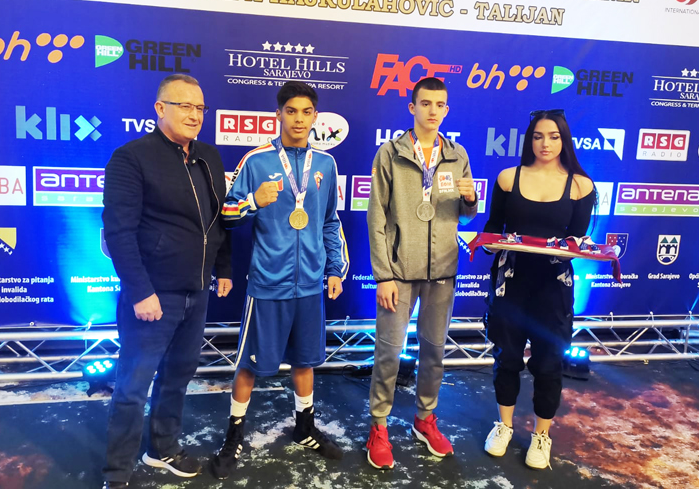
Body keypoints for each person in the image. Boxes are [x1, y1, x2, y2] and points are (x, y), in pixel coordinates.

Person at [209, 80, 349, 480]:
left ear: (315, 117)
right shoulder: (256, 161)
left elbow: (329, 221)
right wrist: (254, 201)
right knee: (249, 365)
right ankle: (234, 435)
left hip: (310, 283)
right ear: (279, 115)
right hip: (268, 282)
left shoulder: (325, 164)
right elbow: (227, 215)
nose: (299, 119)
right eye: (291, 111)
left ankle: (304, 427)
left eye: (306, 112)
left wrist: (335, 268)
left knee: (305, 361)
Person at [101, 74, 233, 489]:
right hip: (153, 296)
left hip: (198, 292)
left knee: (178, 377)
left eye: (200, 108)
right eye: (185, 106)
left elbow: (219, 219)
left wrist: (224, 267)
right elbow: (119, 232)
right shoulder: (131, 157)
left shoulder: (209, 156)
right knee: (132, 387)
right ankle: (117, 473)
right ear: (160, 109)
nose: (195, 115)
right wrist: (141, 291)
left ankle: (162, 449)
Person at [365, 77, 478, 469]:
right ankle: (379, 425)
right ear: (412, 107)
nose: (433, 111)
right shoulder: (391, 153)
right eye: (425, 103)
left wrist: (470, 199)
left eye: (440, 104)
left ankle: (424, 418)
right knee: (389, 353)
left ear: (447, 110)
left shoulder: (457, 155)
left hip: (443, 271)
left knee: (434, 351)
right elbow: (377, 216)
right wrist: (383, 275)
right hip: (399, 272)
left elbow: (466, 215)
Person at [481, 108, 595, 470]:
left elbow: (578, 240)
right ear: (529, 140)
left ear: (564, 140)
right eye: (538, 136)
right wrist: (485, 244)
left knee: (548, 364)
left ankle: (541, 435)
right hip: (511, 283)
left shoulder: (581, 185)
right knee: (507, 358)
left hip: (553, 288)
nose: (545, 143)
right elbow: (492, 229)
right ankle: (504, 426)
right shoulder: (507, 178)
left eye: (554, 136)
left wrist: (578, 248)